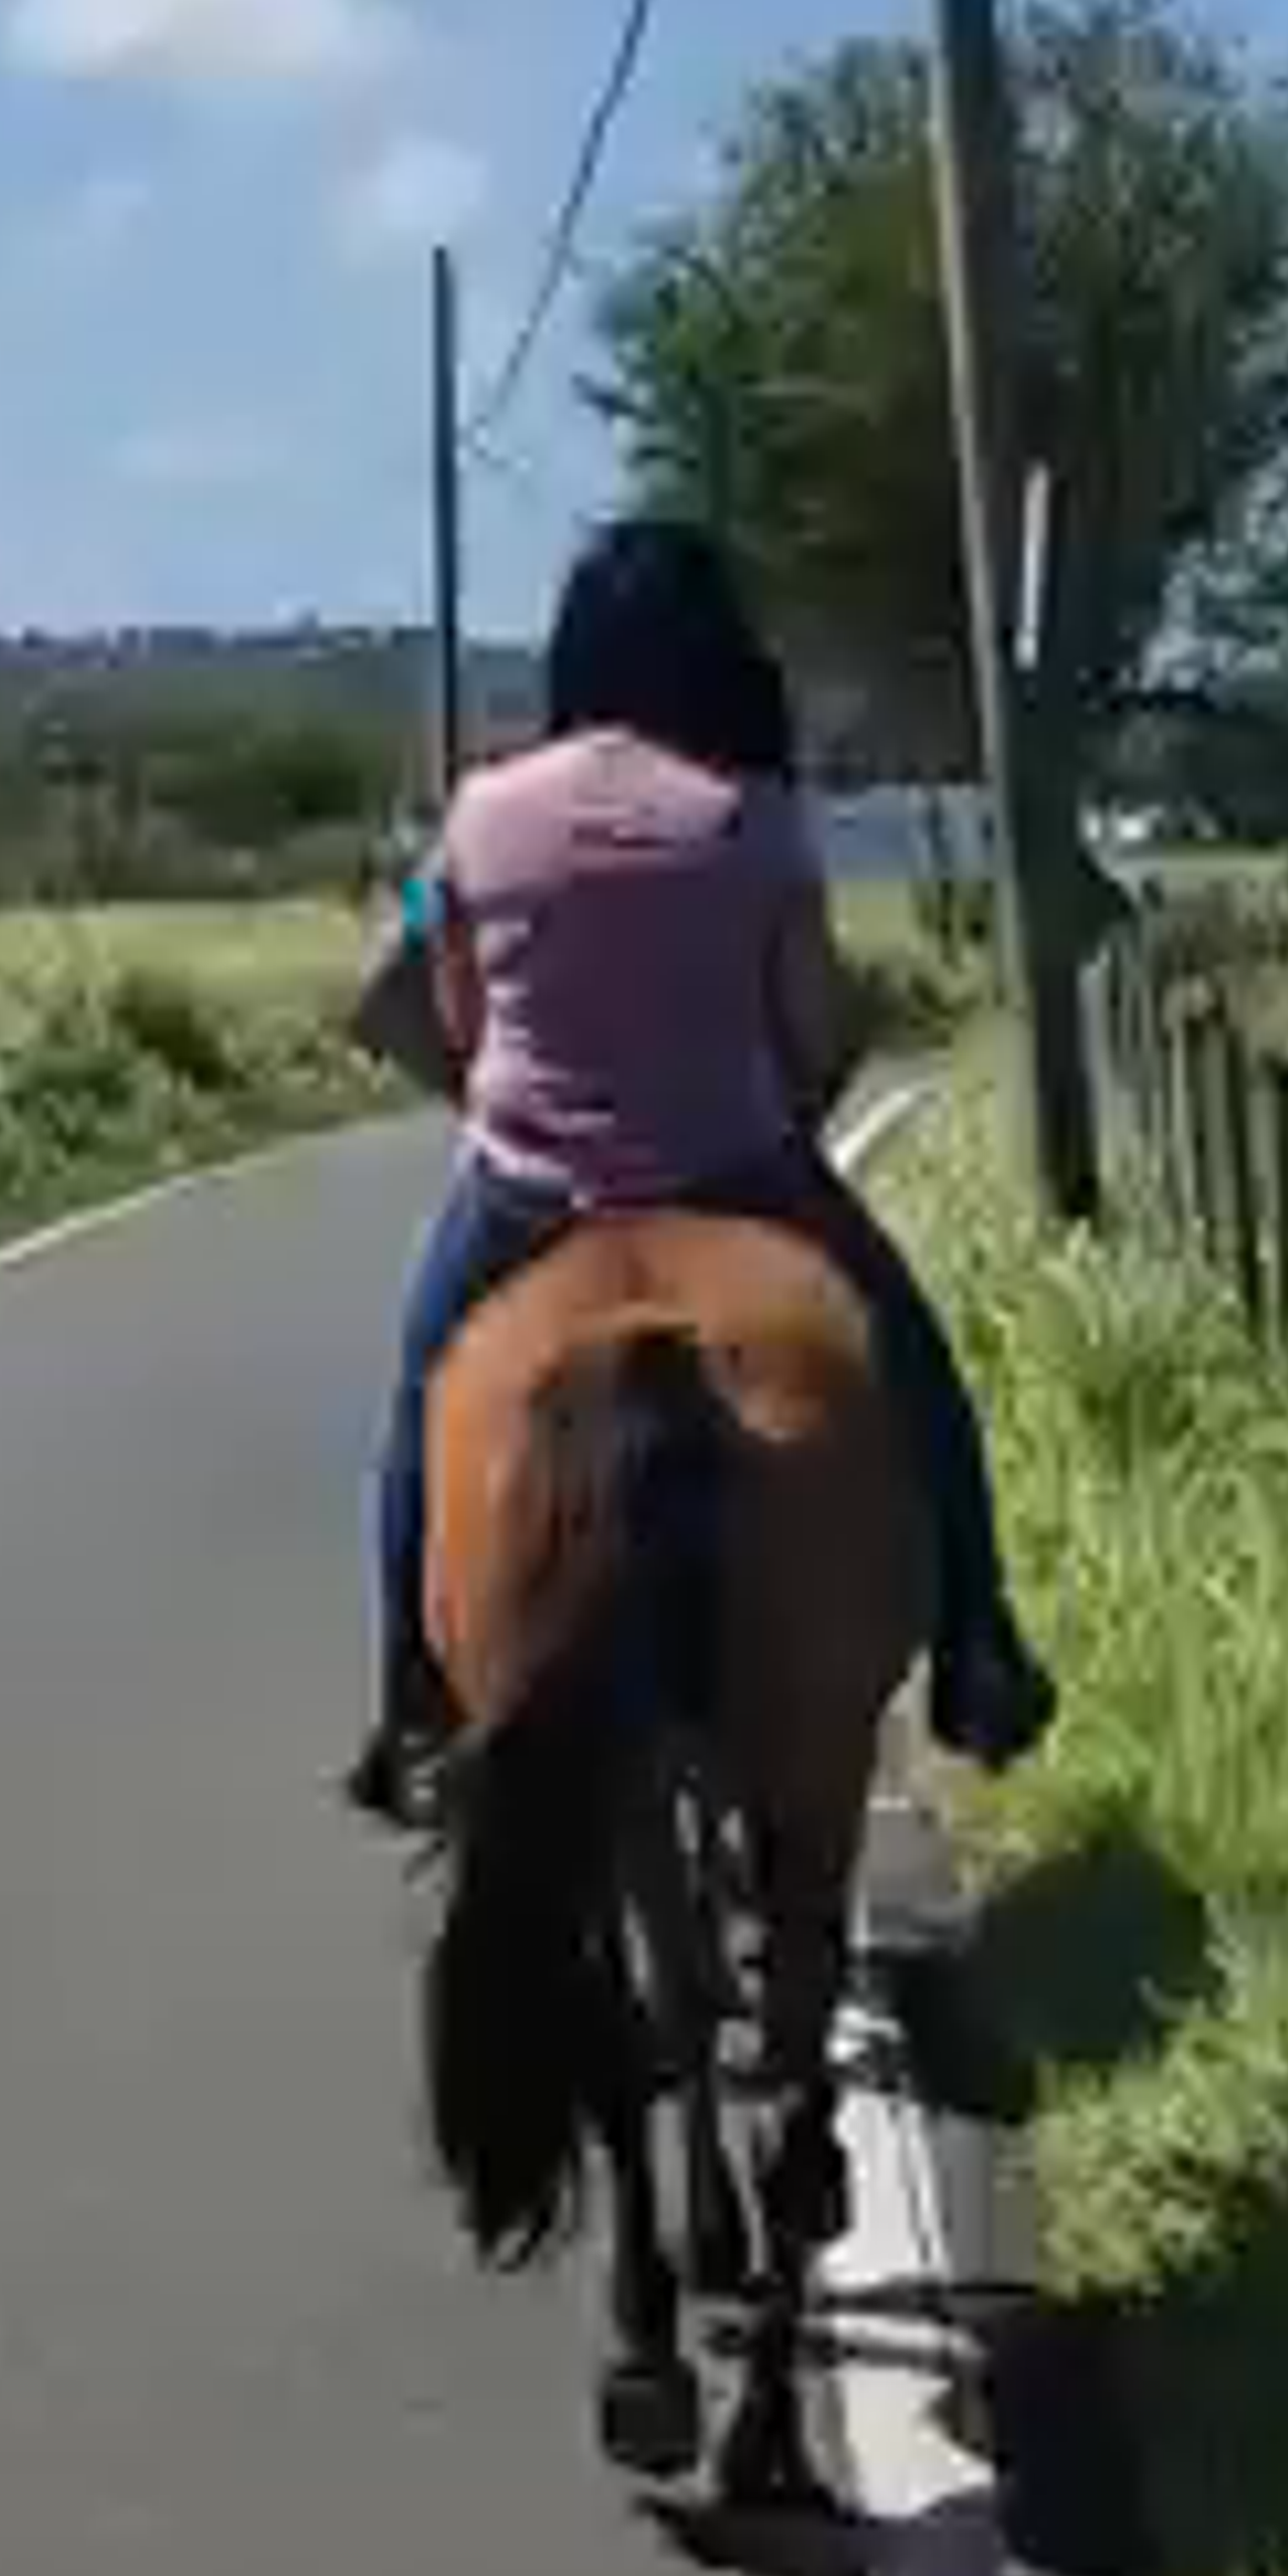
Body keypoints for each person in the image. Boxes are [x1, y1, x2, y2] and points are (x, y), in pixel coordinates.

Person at [345, 519, 1055, 1817]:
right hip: (736, 1173)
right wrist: (778, 1114)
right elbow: (815, 1031)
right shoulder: (756, 819)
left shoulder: (481, 817)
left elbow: (391, 998)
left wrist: (490, 1099)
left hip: (524, 1198)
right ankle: (979, 1647)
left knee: (418, 1401)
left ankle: (411, 1704)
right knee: (914, 1366)